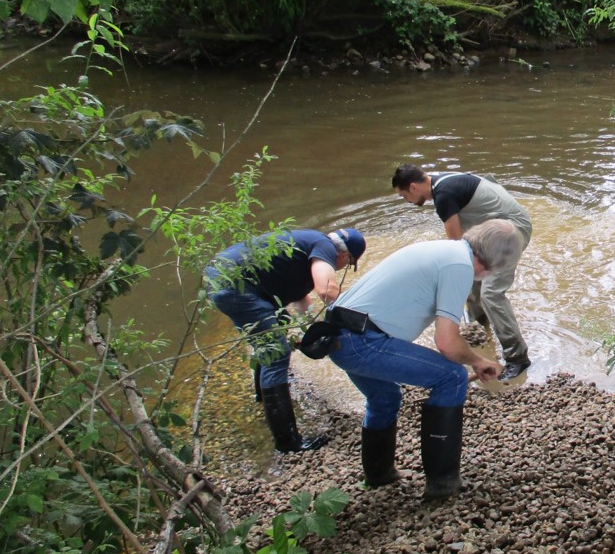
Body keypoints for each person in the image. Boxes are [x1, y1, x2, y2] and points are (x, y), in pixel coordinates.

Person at [323, 219, 521, 498]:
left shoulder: (445, 250)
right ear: (497, 263)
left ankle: (379, 476)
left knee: (385, 398)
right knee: (452, 377)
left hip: (337, 335)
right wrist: (478, 360)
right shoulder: (460, 266)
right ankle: (442, 484)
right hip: (361, 342)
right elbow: (447, 343)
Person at [205, 228, 366, 452]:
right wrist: (352, 321)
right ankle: (288, 442)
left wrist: (313, 332)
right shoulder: (325, 247)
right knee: (277, 353)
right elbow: (327, 290)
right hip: (235, 285)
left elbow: (302, 303)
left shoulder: (305, 250)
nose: (341, 267)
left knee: (273, 336)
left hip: (226, 277)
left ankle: (263, 396)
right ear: (344, 255)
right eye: (348, 264)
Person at [392, 163, 534, 382]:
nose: (407, 201)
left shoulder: (443, 195)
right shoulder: (443, 182)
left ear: (413, 187)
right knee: (472, 275)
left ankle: (517, 357)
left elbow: (456, 247)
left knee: (491, 294)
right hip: (497, 231)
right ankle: (480, 330)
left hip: (511, 233)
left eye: (404, 196)